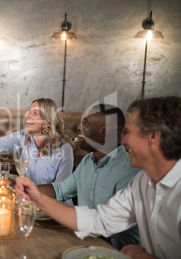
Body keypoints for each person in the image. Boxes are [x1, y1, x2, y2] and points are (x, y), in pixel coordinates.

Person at [16, 96, 181, 259]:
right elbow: (99, 220)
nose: (124, 141)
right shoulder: (142, 182)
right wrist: (36, 196)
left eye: (129, 132)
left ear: (153, 137)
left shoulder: (140, 177)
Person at [37, 104, 140, 250]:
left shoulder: (130, 171)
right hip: (83, 240)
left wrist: (37, 199)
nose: (79, 127)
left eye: (85, 122)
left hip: (114, 250)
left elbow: (110, 227)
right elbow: (60, 190)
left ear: (104, 130)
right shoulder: (87, 161)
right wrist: (22, 189)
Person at [0, 98, 73, 185]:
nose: (28, 115)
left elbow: (61, 190)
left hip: (55, 208)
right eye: (29, 111)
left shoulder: (64, 149)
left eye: (35, 113)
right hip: (28, 201)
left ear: (48, 122)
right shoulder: (22, 137)